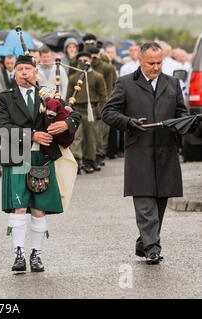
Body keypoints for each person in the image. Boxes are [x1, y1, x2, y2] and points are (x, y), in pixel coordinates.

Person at [102, 42, 188, 264]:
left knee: (159, 205)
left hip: (166, 154)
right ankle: (152, 248)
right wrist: (128, 122)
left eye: (159, 62)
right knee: (145, 204)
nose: (156, 67)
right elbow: (108, 112)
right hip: (139, 153)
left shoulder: (173, 83)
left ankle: (145, 241)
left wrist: (181, 123)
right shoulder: (125, 83)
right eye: (151, 63)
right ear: (140, 60)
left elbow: (182, 113)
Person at [0, 54, 80, 273]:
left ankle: (36, 255)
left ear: (36, 72)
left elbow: (74, 116)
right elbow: (2, 128)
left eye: (27, 69)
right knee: (19, 205)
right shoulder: (4, 98)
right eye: (19, 69)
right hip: (17, 155)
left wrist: (66, 124)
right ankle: (19, 254)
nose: (24, 73)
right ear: (14, 74)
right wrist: (31, 135)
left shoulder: (48, 96)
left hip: (43, 157)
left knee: (39, 207)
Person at [67, 51, 107, 174]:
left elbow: (103, 95)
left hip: (92, 111)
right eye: (80, 60)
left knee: (91, 137)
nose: (83, 62)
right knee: (77, 137)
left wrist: (101, 111)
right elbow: (69, 96)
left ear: (90, 60)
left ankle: (90, 160)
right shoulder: (73, 78)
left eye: (86, 60)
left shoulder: (97, 76)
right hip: (77, 110)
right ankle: (77, 161)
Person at [88, 47, 116, 168]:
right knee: (92, 132)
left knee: (102, 131)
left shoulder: (107, 68)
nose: (93, 58)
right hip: (90, 102)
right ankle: (93, 155)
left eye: (96, 55)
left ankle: (100, 154)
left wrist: (107, 103)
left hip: (104, 101)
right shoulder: (86, 67)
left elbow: (111, 86)